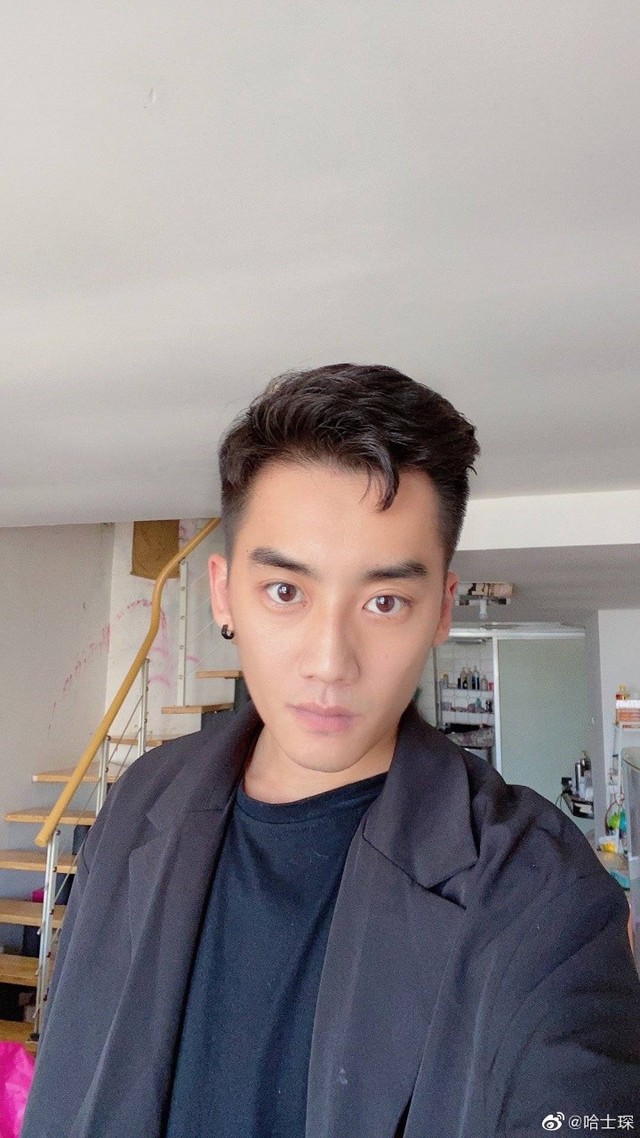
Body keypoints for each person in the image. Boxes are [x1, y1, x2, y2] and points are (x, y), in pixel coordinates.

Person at [23, 364, 640, 1138]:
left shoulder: (536, 888)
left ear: (441, 610)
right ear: (223, 593)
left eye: (384, 601)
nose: (329, 661)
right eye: (286, 592)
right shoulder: (140, 799)